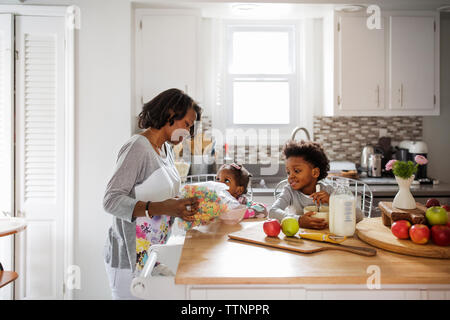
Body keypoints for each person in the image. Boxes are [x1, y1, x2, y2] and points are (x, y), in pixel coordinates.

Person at [103, 88, 202, 299]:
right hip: (128, 259)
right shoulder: (138, 147)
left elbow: (157, 195)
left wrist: (178, 207)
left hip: (151, 253)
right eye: (187, 125)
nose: (188, 133)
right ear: (170, 114)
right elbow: (111, 200)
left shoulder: (165, 150)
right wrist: (162, 207)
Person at [269, 140, 333, 229]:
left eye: (296, 171)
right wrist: (299, 220)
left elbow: (358, 216)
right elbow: (272, 212)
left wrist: (333, 201)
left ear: (315, 172)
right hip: (297, 240)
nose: (290, 176)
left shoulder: (329, 191)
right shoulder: (289, 191)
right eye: (288, 172)